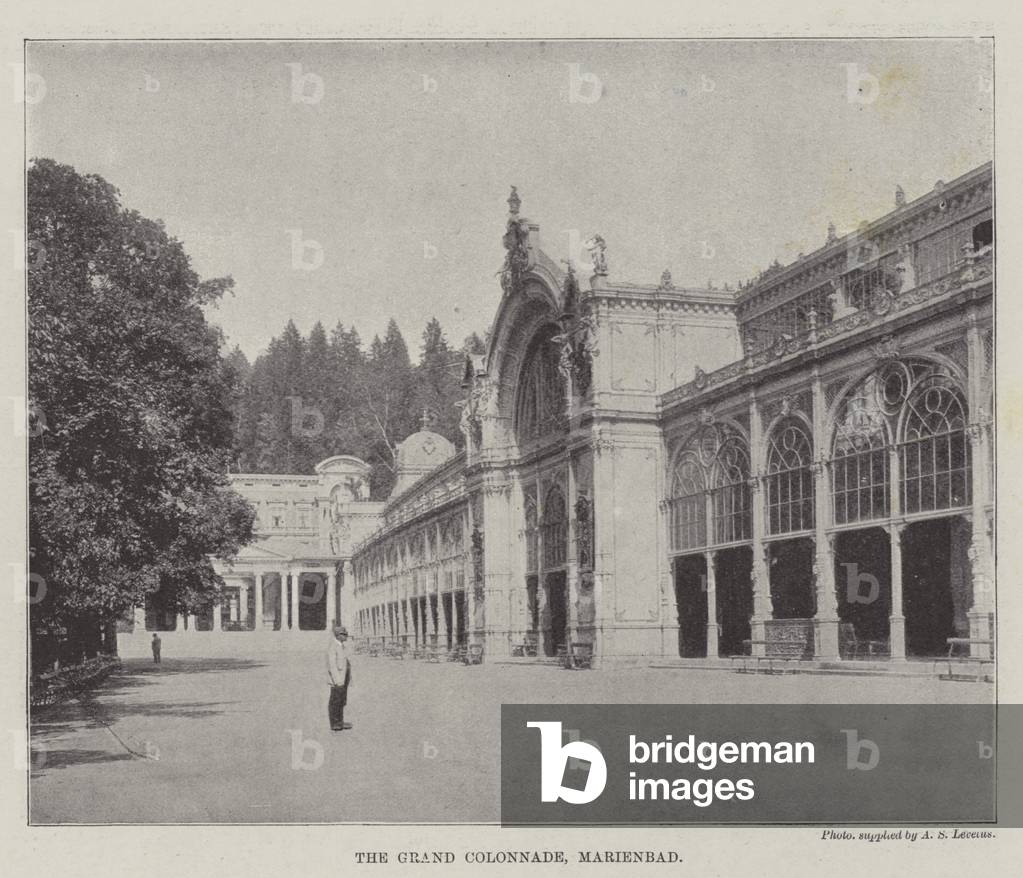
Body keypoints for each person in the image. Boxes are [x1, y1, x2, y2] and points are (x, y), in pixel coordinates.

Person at [327, 624, 353, 731]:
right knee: (335, 701)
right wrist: (337, 681)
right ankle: (334, 723)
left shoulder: (341, 645)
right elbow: (332, 666)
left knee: (342, 700)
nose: (346, 636)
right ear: (338, 635)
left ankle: (340, 721)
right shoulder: (333, 647)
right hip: (337, 680)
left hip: (343, 678)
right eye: (344, 634)